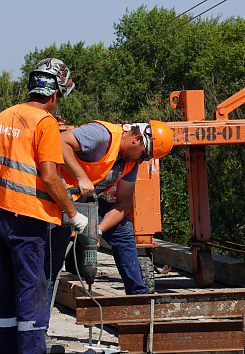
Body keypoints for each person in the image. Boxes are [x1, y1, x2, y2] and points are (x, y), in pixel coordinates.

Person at [0, 58, 90, 354]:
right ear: (55, 94)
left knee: (8, 286)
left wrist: (0, 188)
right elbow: (50, 177)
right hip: (27, 218)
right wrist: (72, 213)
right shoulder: (45, 123)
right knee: (31, 287)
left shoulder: (5, 115)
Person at [46, 120, 175, 298]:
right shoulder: (102, 135)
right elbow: (60, 142)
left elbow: (123, 205)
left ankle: (138, 296)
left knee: (123, 229)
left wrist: (96, 231)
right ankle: (42, 297)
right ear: (137, 139)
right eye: (144, 155)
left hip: (85, 202)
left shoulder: (131, 163)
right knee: (53, 256)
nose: (141, 161)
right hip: (57, 201)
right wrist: (81, 177)